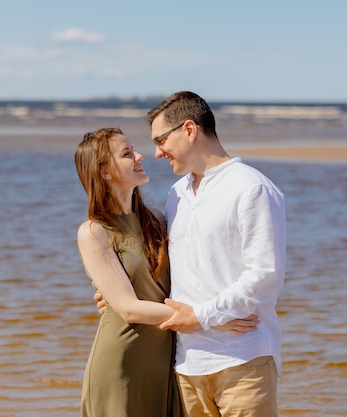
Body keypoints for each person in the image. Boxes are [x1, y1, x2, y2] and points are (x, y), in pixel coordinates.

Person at [96, 91, 286, 417]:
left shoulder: (251, 188)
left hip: (243, 360)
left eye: (161, 140)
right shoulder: (177, 193)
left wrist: (201, 318)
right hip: (185, 366)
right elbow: (163, 265)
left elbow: (264, 276)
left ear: (189, 130)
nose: (156, 153)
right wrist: (116, 291)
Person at [75, 127, 258, 417]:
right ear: (105, 172)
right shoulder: (94, 232)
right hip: (122, 361)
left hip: (165, 362)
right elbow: (129, 309)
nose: (138, 156)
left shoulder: (158, 220)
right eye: (126, 153)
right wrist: (210, 320)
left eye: (133, 149)